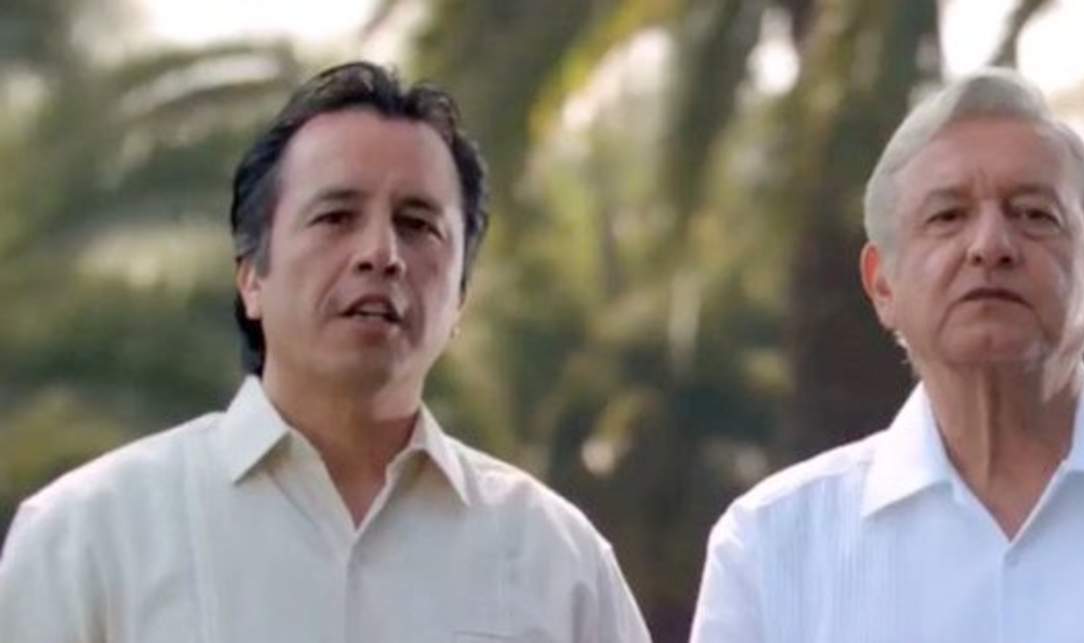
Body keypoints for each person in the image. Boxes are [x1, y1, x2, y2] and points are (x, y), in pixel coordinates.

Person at [0, 62, 650, 643]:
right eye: (337, 216)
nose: (381, 254)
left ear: (460, 299)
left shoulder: (558, 563)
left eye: (418, 224)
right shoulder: (90, 536)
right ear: (252, 277)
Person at [690, 69, 1084, 642]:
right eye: (947, 216)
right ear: (883, 285)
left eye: (1034, 215)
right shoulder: (769, 548)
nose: (990, 245)